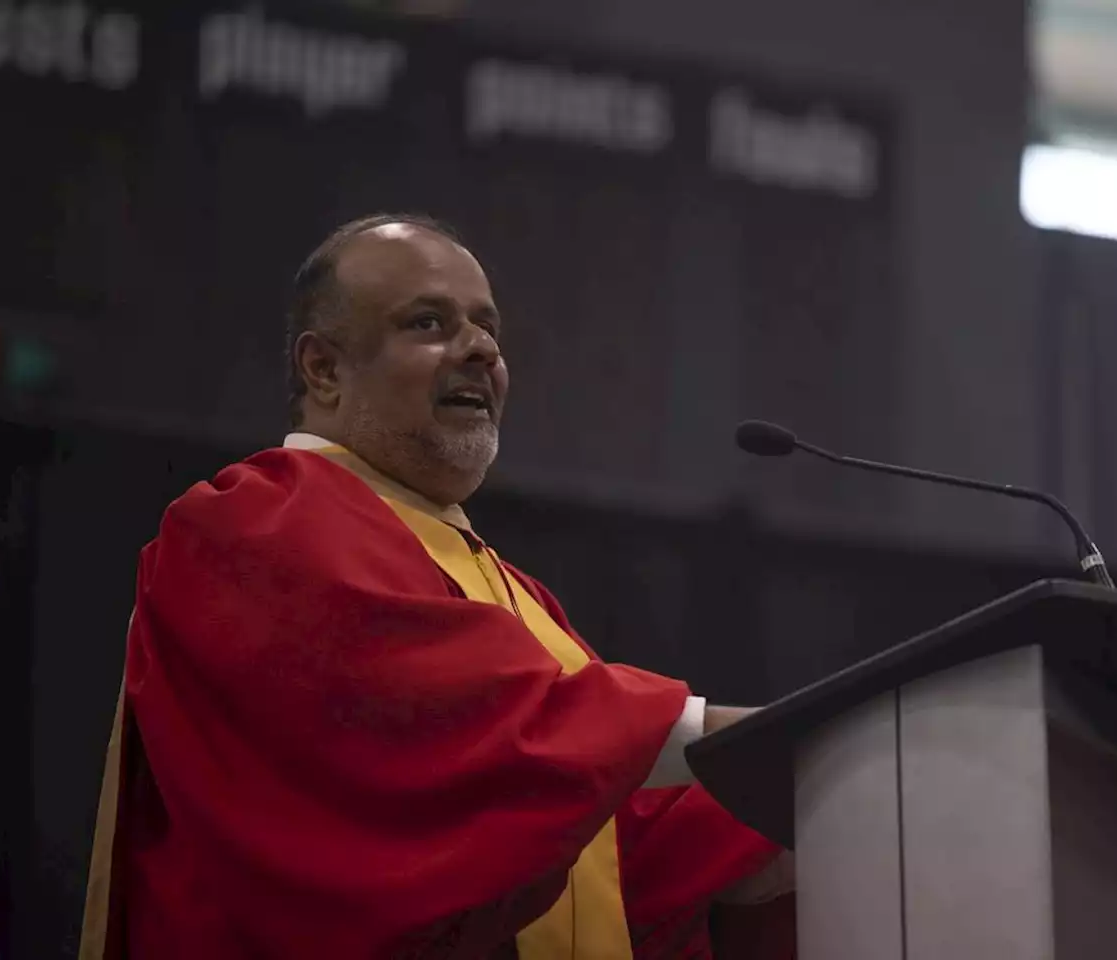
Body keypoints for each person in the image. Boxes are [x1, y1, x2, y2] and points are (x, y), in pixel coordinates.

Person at [79, 214, 795, 959]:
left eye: (488, 328)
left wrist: (793, 822)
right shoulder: (251, 525)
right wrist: (766, 743)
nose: (481, 349)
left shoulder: (504, 584)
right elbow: (472, 744)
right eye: (429, 323)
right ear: (323, 369)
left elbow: (587, 840)